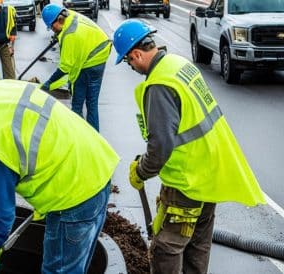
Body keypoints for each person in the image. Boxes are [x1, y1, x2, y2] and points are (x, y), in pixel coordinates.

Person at [112, 19, 266, 274]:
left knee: (166, 246)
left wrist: (140, 171)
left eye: (128, 61)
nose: (131, 66)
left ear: (137, 53)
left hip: (188, 180)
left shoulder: (159, 84)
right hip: (209, 172)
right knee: (198, 243)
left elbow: (161, 146)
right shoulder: (178, 64)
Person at [0, 72, 119, 273]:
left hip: (74, 194)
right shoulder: (0, 88)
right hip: (97, 163)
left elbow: (1, 215)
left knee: (58, 270)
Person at [40, 4, 110, 131]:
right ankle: (95, 139)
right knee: (92, 103)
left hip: (89, 62)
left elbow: (65, 67)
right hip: (101, 53)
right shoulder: (70, 15)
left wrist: (49, 83)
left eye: (51, 26)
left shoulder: (69, 35)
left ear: (58, 20)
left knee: (77, 104)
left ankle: (80, 136)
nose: (52, 29)